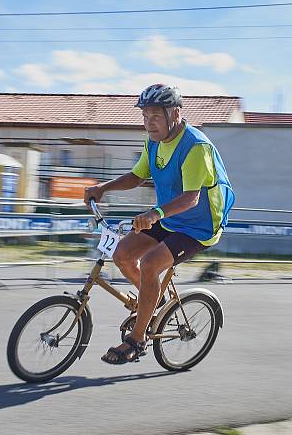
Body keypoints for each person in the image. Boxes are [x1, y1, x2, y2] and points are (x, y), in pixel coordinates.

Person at [84, 83, 235, 365]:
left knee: (152, 263)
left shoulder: (195, 146)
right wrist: (103, 188)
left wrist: (154, 214)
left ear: (174, 113)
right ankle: (153, 301)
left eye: (155, 116)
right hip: (168, 216)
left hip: (198, 226)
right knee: (122, 255)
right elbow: (137, 176)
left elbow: (191, 198)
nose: (148, 123)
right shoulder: (153, 141)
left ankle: (136, 341)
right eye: (144, 116)